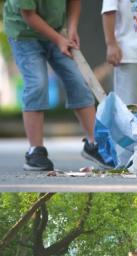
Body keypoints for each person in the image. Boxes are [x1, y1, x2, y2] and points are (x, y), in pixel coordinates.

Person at [3, 0, 108, 171]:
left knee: (77, 81)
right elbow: (28, 14)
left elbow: (74, 2)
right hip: (24, 33)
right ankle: (35, 152)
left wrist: (72, 28)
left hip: (58, 29)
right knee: (37, 84)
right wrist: (58, 39)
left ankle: (94, 144)